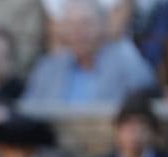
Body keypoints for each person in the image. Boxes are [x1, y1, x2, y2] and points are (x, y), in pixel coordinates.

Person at [22, 0, 156, 102]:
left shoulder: (128, 65)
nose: (78, 32)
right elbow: (30, 110)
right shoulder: (48, 68)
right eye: (71, 25)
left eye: (86, 23)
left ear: (103, 26)